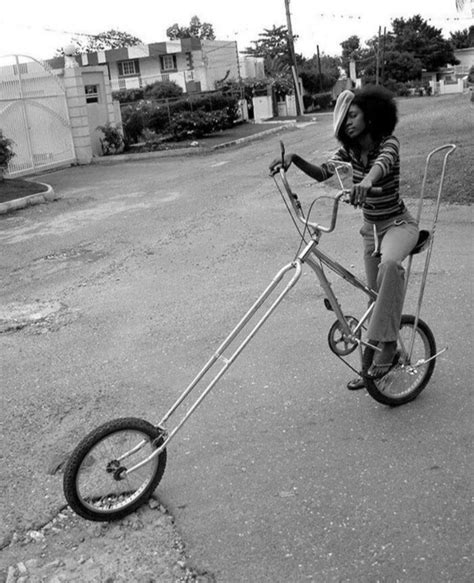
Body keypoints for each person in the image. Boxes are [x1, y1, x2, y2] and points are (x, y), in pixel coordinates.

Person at [269, 85, 419, 390]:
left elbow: (383, 164)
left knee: (390, 265)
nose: (348, 122)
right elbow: (324, 171)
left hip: (398, 225)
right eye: (344, 119)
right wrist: (294, 160)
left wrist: (365, 181)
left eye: (353, 115)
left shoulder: (388, 143)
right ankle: (371, 368)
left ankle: (387, 351)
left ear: (370, 114)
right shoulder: (349, 151)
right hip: (371, 231)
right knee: (374, 296)